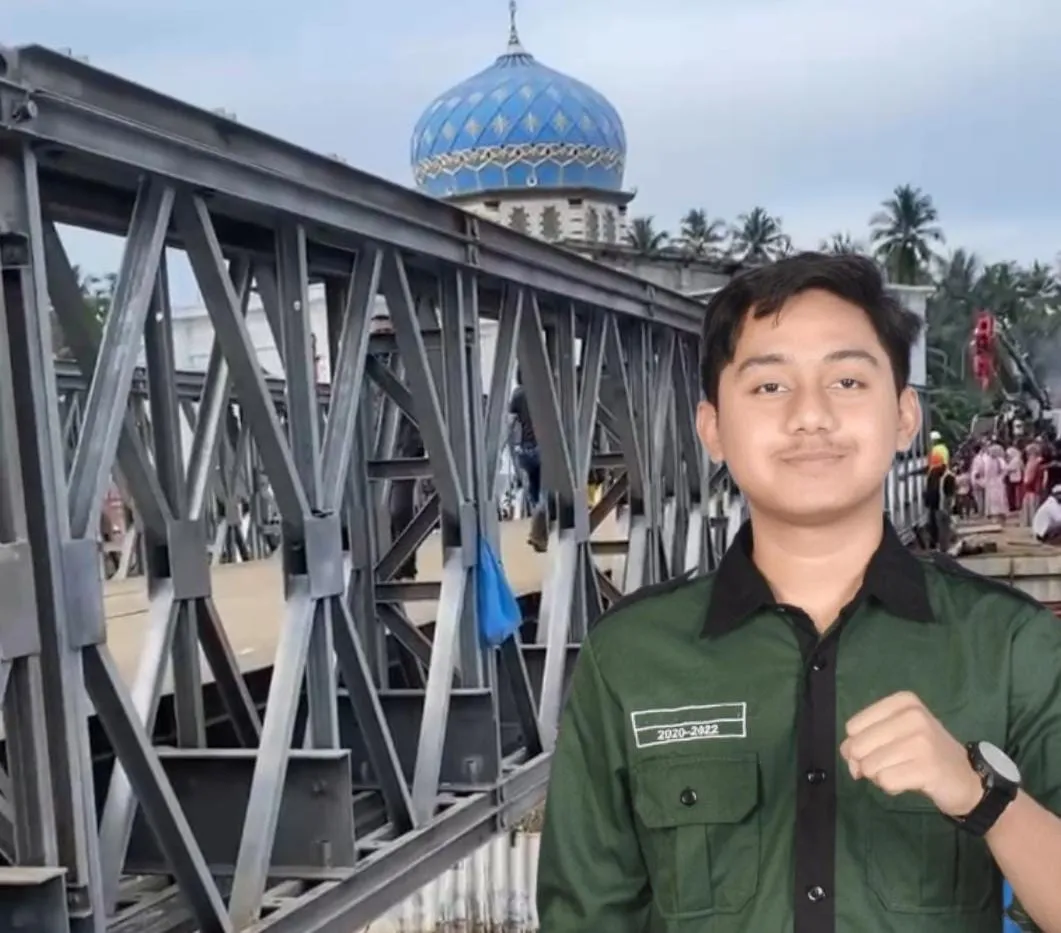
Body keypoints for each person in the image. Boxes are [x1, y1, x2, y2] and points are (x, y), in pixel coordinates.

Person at [536, 253, 1061, 932]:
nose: (810, 415)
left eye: (846, 380)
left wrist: (979, 794)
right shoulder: (629, 658)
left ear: (904, 415)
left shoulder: (1011, 645)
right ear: (712, 428)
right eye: (769, 386)